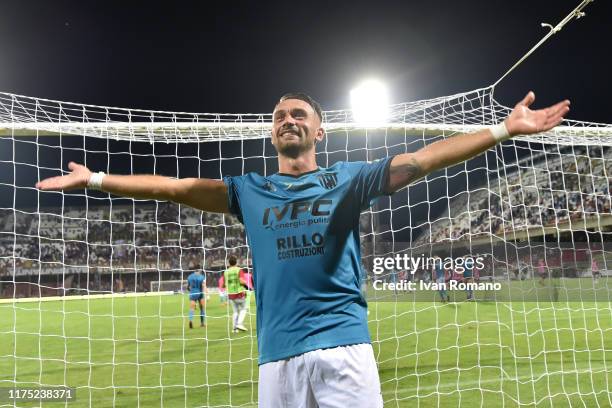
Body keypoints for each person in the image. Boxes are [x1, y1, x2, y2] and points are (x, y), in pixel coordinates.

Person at [36, 91, 569, 407]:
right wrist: (98, 178)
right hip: (278, 359)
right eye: (279, 116)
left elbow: (423, 160)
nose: (287, 119)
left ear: (320, 129)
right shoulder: (248, 192)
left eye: (298, 114)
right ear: (272, 134)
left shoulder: (348, 179)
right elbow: (173, 187)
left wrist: (502, 129)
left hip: (344, 349)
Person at [223, 255, 248, 333]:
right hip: (239, 293)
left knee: (235, 311)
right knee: (244, 308)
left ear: (229, 263)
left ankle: (234, 328)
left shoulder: (226, 272)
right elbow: (241, 281)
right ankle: (239, 324)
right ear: (236, 262)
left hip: (230, 294)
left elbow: (224, 284)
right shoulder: (239, 270)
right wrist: (247, 285)